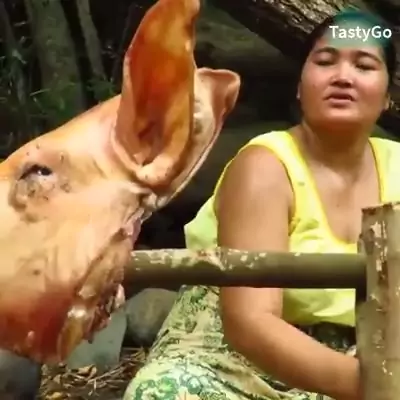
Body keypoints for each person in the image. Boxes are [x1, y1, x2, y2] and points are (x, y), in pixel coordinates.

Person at [124, 8, 399, 400]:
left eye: (364, 66)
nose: (343, 76)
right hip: (233, 364)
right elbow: (250, 322)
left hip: (362, 358)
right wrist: (375, 387)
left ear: (388, 97)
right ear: (300, 87)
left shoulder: (397, 166)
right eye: (325, 62)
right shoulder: (265, 166)